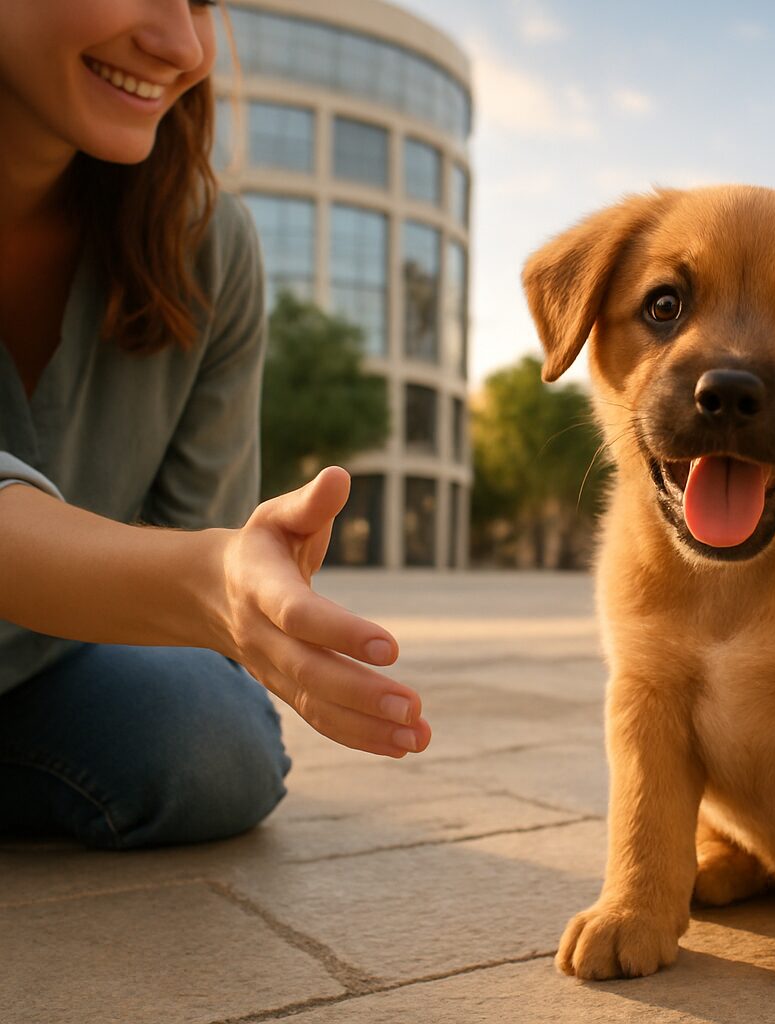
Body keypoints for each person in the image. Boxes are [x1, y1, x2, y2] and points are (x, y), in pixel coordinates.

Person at [0, 1, 432, 850]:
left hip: (46, 668)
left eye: (200, 1)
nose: (181, 45)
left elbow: (203, 559)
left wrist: (238, 580)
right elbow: (195, 568)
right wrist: (204, 580)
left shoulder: (207, 243)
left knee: (209, 740)